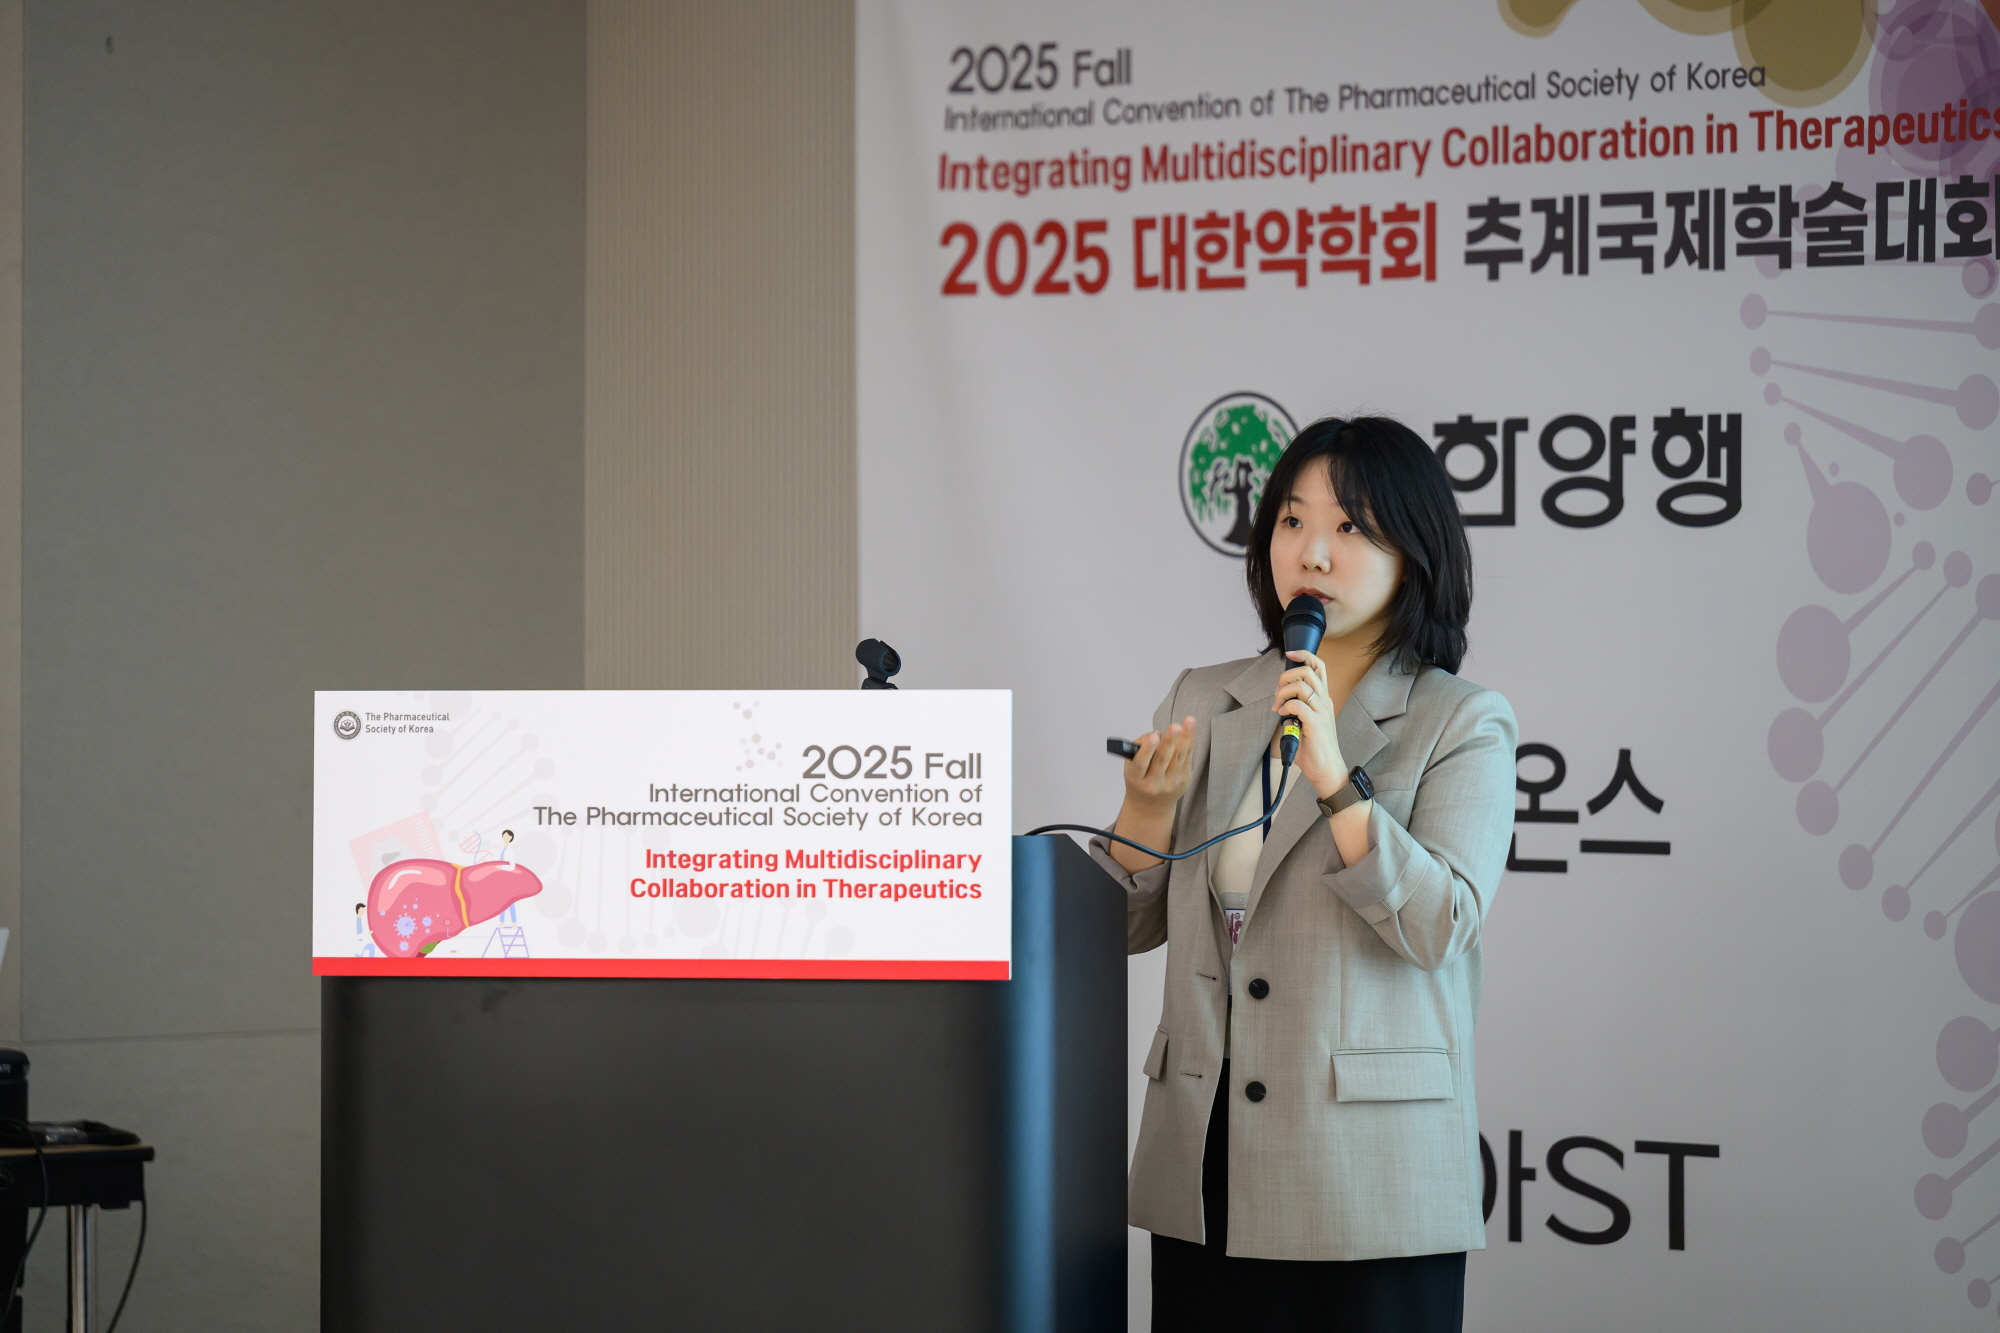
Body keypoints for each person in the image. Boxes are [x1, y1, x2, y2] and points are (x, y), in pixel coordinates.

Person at [1091, 416, 1516, 1332]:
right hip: (1209, 1155)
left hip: (1369, 1173)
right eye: (1291, 521)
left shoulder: (1461, 719)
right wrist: (1146, 814)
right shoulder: (1206, 697)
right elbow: (1117, 928)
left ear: (1415, 552)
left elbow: (1442, 923)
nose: (1311, 551)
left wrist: (1334, 777)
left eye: (1349, 526)